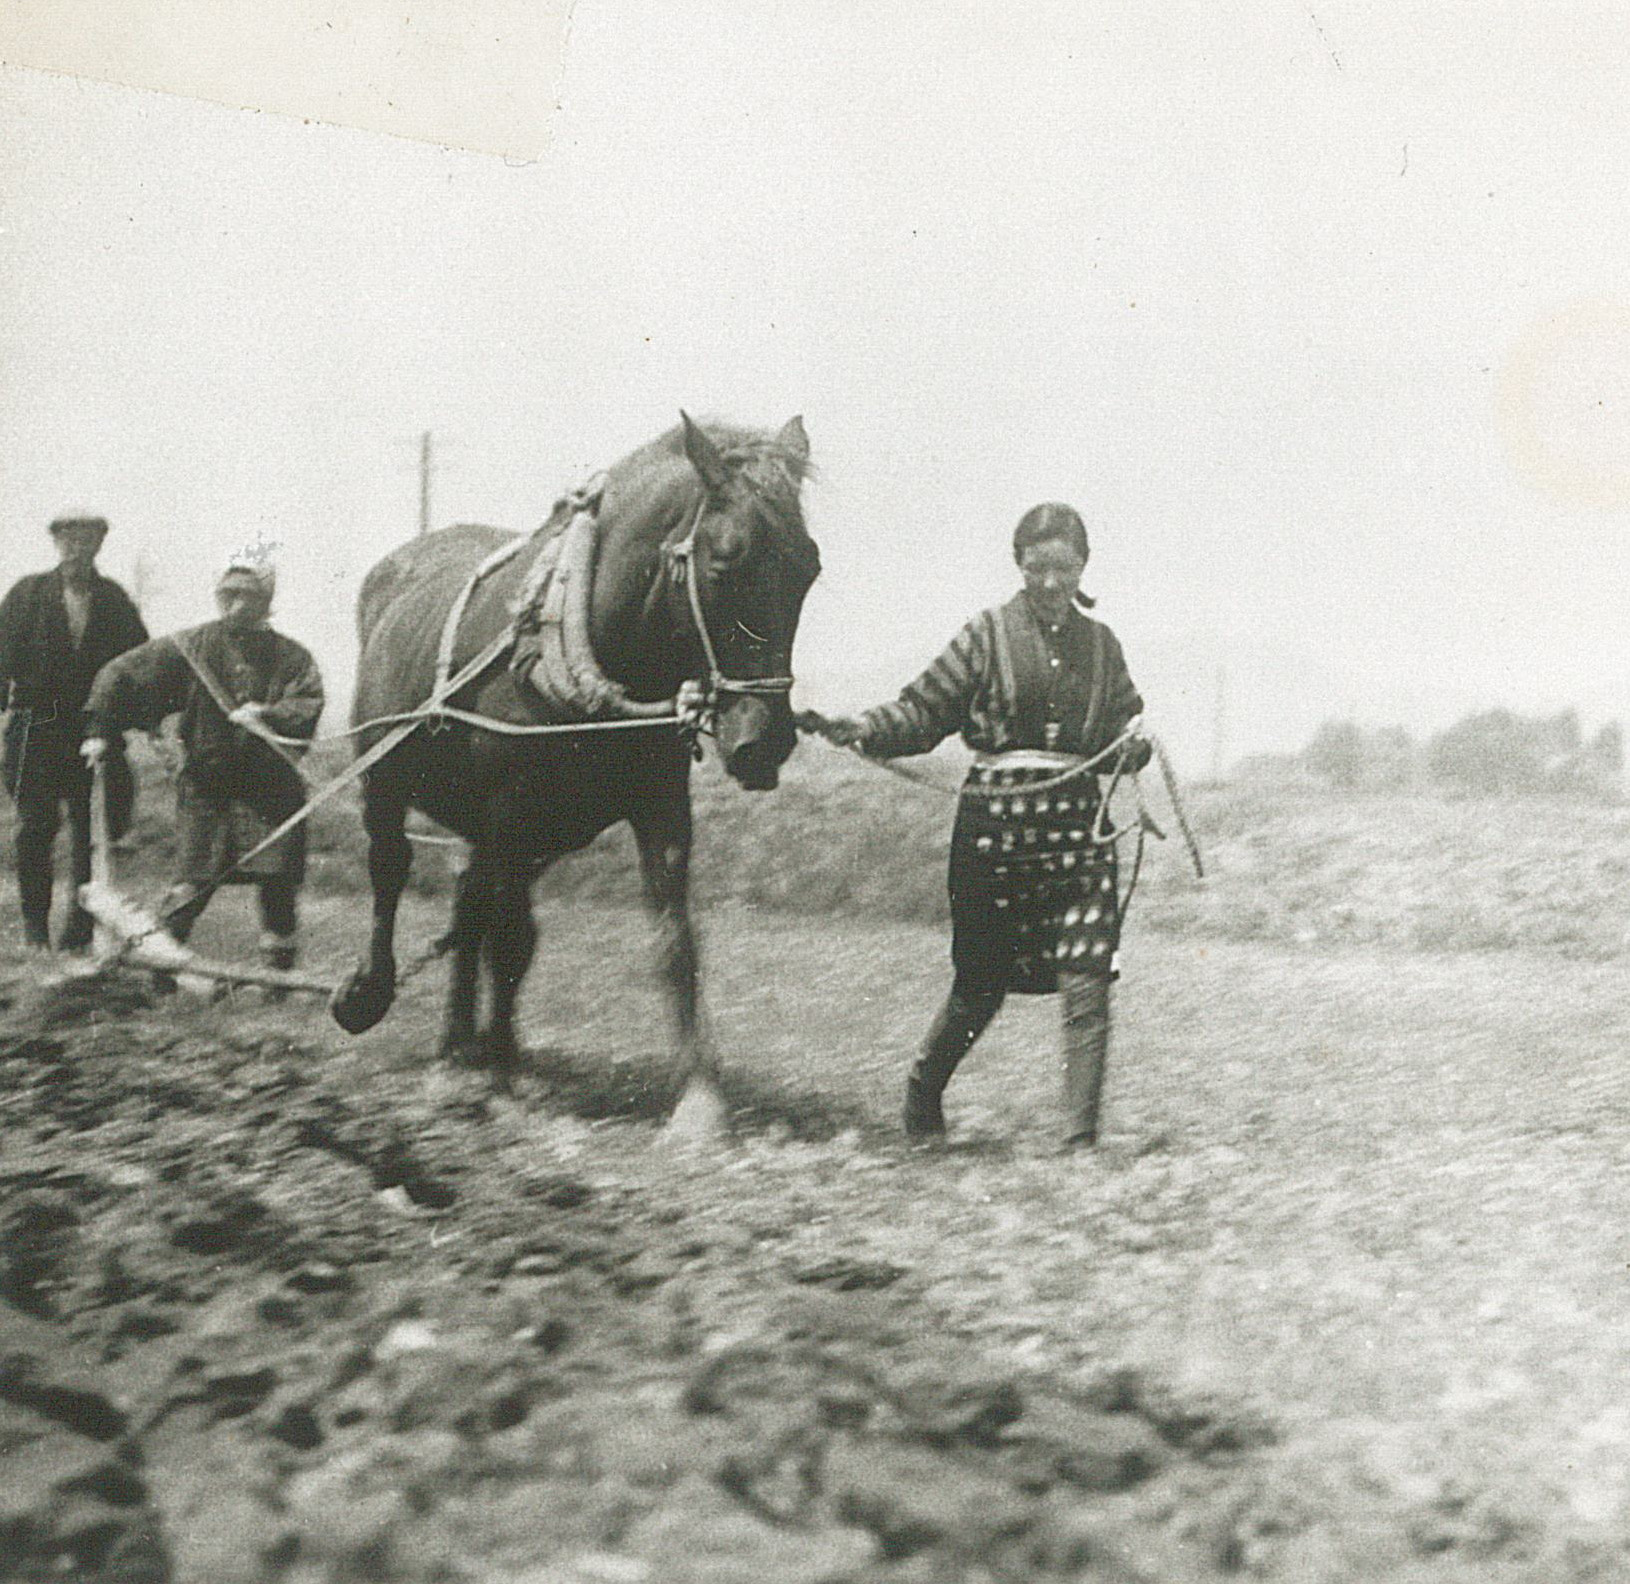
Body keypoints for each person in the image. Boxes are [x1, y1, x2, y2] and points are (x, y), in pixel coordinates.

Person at [812, 503, 1150, 1149]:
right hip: (996, 840)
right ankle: (924, 1089)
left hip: (1080, 839)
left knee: (1088, 981)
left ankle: (1078, 1142)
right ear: (1019, 564)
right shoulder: (984, 635)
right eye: (1038, 566)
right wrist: (864, 728)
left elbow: (1123, 725)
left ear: (1083, 568)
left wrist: (1133, 746)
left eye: (1065, 567)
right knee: (979, 987)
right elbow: (922, 709)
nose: (1051, 581)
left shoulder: (1104, 646)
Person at [82, 548, 323, 977]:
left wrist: (266, 714)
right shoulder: (190, 647)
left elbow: (307, 701)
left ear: (267, 601)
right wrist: (98, 731)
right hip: (208, 789)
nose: (237, 604)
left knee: (278, 885)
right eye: (228, 594)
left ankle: (278, 978)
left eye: (249, 596)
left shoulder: (292, 657)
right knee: (191, 884)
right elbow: (121, 673)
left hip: (271, 791)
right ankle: (160, 969)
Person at [0, 515, 148, 951]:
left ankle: (79, 931)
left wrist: (128, 721)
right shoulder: (26, 595)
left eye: (85, 540)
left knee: (92, 833)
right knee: (34, 830)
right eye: (67, 540)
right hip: (35, 728)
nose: (75, 549)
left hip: (92, 732)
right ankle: (34, 933)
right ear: (55, 544)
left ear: (99, 545)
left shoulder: (114, 600)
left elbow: (136, 665)